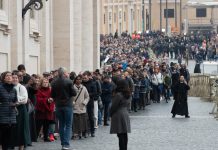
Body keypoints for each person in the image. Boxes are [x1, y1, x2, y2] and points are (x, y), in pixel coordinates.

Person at [51, 67, 76, 150]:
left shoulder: (54, 82)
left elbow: (52, 95)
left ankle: (63, 144)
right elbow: (74, 93)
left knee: (61, 124)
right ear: (65, 73)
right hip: (68, 105)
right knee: (68, 125)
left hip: (58, 106)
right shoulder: (69, 81)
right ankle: (66, 144)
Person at [12, 71, 31, 150]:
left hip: (21, 110)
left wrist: (16, 101)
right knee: (13, 129)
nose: (15, 79)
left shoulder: (21, 87)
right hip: (11, 110)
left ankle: (21, 147)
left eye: (16, 78)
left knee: (22, 129)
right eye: (13, 78)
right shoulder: (8, 87)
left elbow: (25, 99)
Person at [110, 79, 131, 150]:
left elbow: (114, 106)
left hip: (119, 114)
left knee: (120, 134)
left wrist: (110, 114)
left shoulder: (119, 95)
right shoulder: (128, 94)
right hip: (125, 113)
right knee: (124, 134)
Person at [0, 71, 17, 150]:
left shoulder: (14, 89)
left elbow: (15, 100)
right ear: (4, 78)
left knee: (10, 138)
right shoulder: (0, 88)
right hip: (2, 116)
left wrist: (15, 103)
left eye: (10, 75)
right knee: (3, 138)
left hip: (12, 116)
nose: (9, 77)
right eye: (7, 76)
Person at [35, 78, 55, 142]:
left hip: (48, 110)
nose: (45, 83)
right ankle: (35, 137)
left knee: (46, 124)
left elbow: (53, 97)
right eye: (44, 82)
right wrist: (46, 100)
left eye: (46, 82)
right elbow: (38, 100)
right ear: (41, 83)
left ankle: (46, 137)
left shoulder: (50, 90)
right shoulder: (39, 90)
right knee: (38, 125)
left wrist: (51, 100)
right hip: (41, 110)